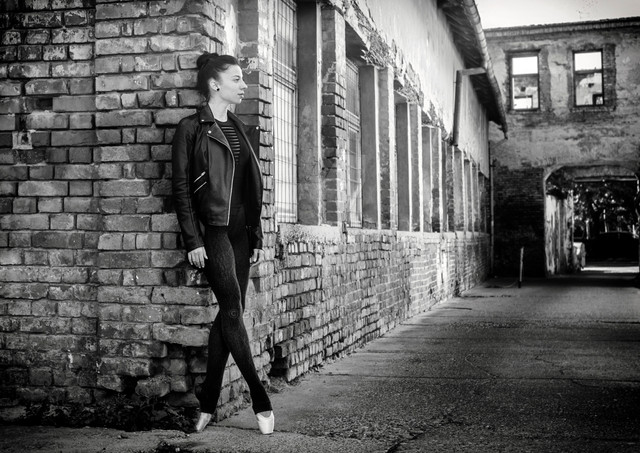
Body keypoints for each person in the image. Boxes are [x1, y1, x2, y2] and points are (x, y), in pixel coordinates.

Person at [171, 52, 274, 435]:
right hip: (213, 231)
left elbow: (251, 189)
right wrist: (193, 240)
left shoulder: (241, 128)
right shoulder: (191, 128)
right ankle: (260, 399)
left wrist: (256, 234)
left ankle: (207, 404)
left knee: (230, 314)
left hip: (240, 233)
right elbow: (181, 190)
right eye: (236, 79)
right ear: (215, 84)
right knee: (231, 309)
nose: (244, 85)